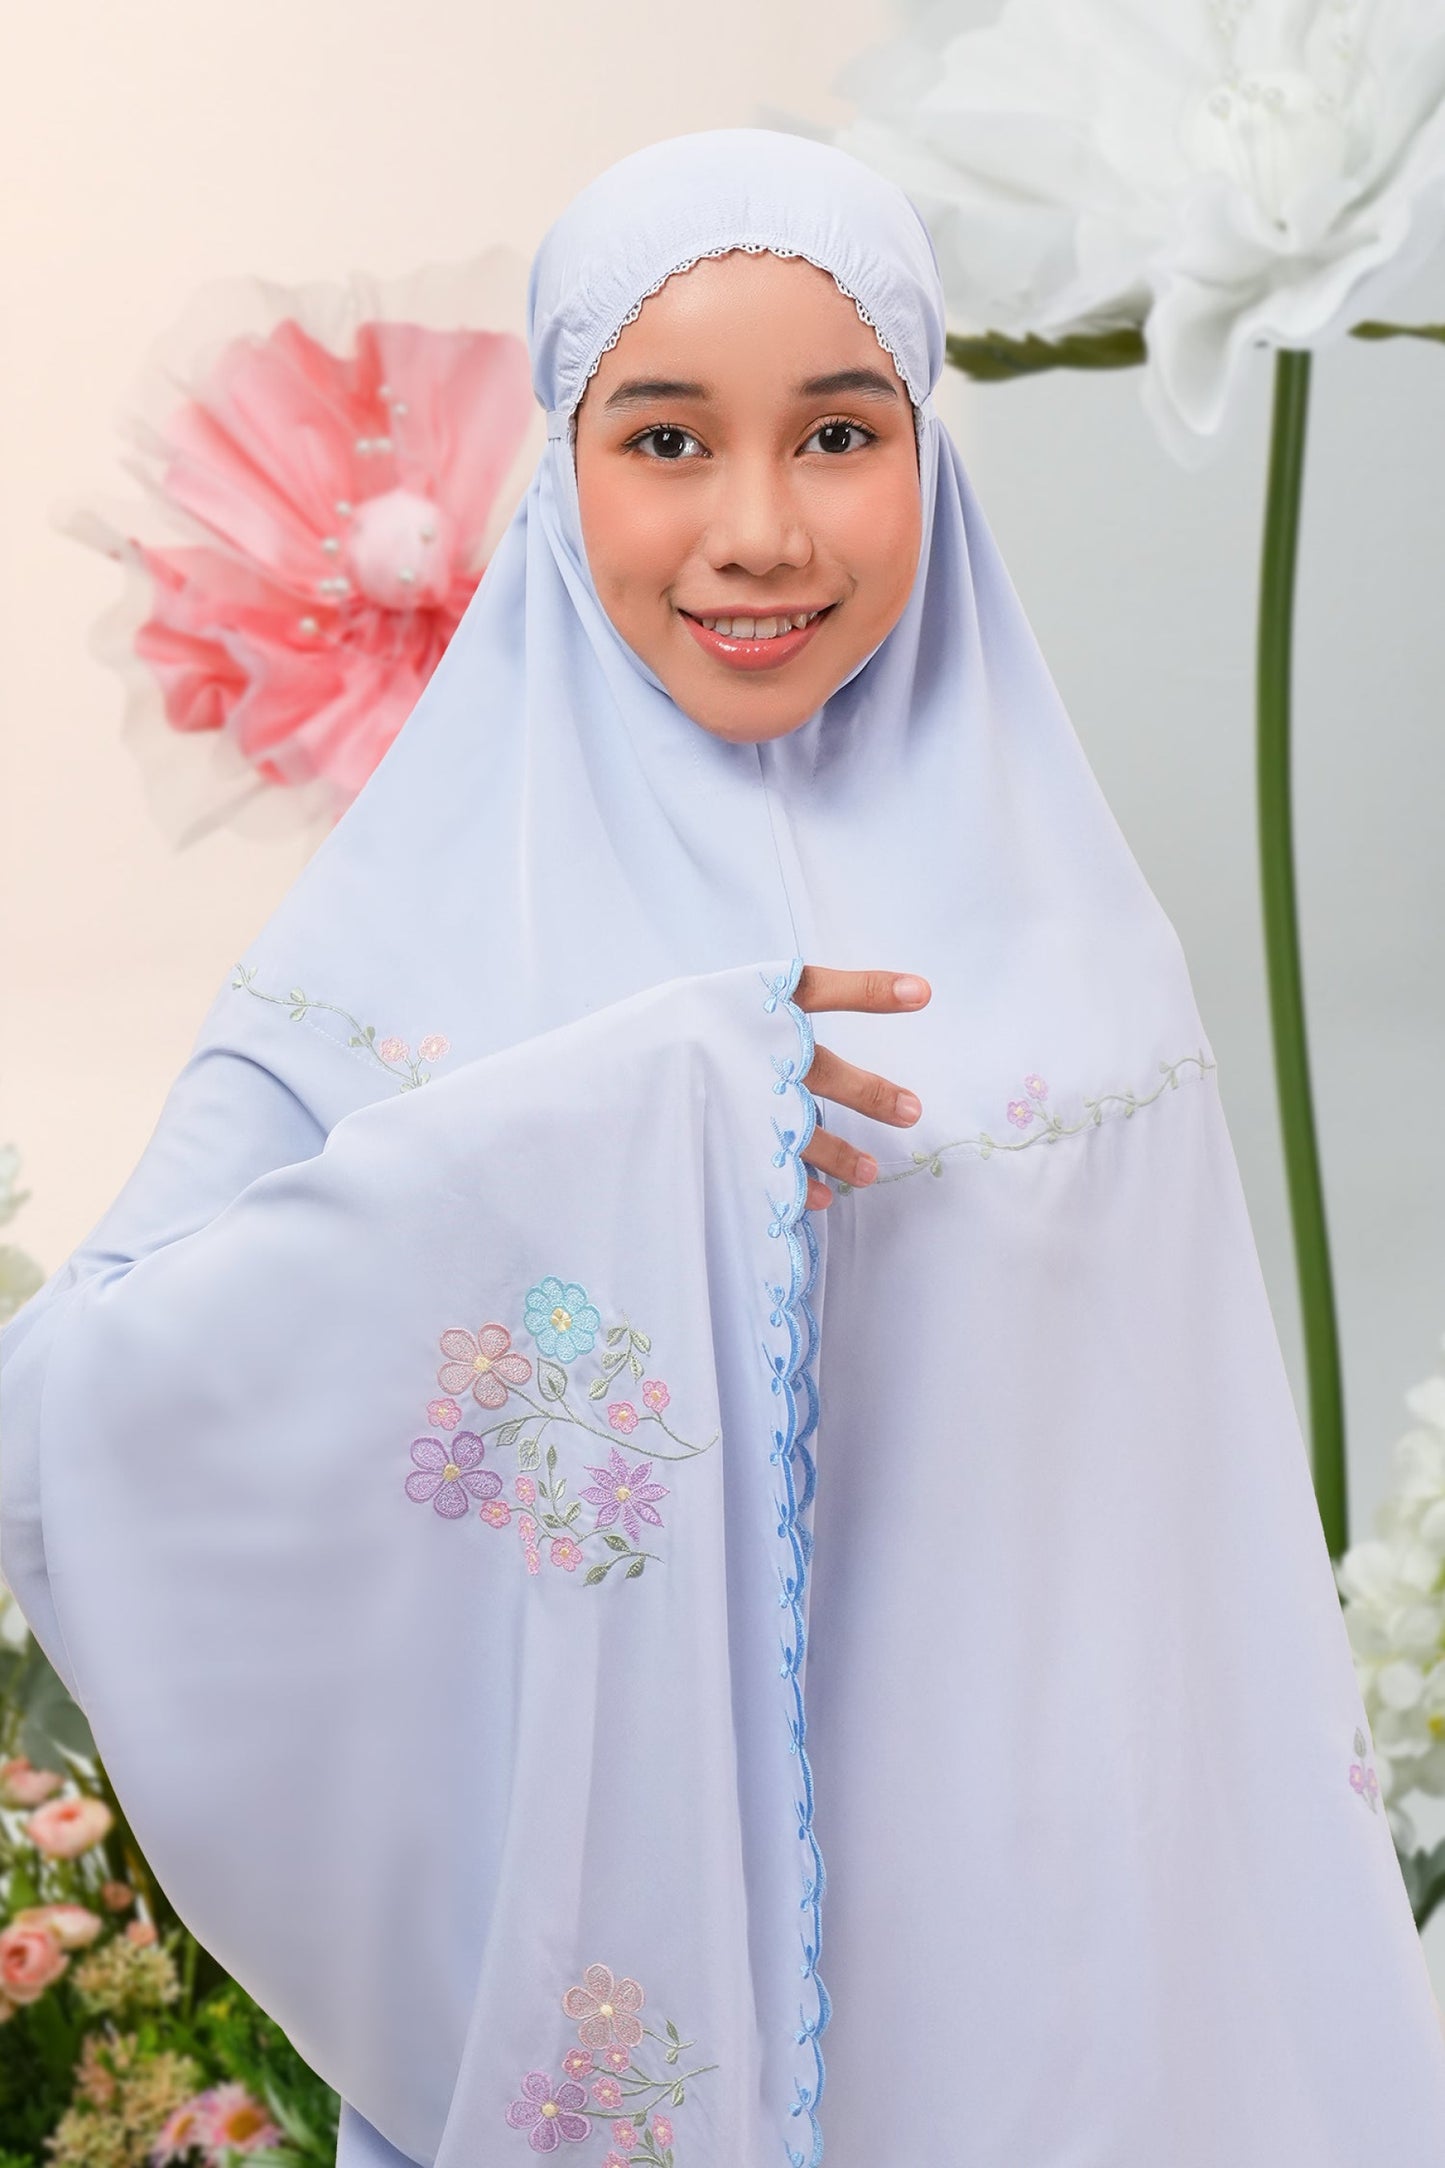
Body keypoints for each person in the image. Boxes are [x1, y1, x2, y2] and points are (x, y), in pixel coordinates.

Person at [3, 127, 1443, 2168]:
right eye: (665, 441)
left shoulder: (1085, 951)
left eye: (840, 434)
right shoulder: (402, 949)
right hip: (651, 1986)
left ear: (930, 453)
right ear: (562, 466)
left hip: (1060, 2002)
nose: (758, 531)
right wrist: (624, 1118)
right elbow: (82, 1395)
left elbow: (1190, 1584)